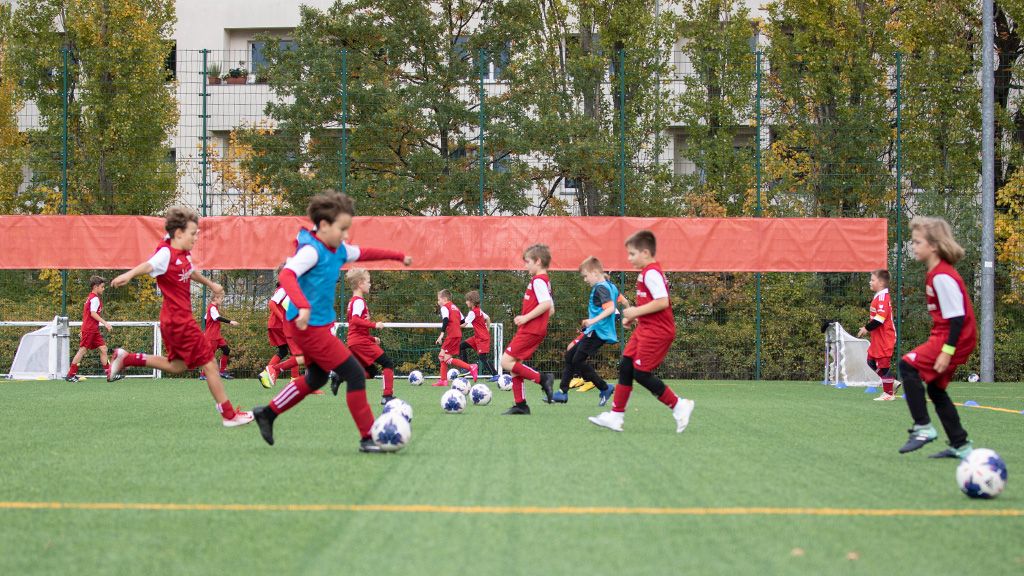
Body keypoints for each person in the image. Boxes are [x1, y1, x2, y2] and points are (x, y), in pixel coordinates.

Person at [252, 191, 411, 453]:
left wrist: (398, 255)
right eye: (343, 229)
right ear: (324, 226)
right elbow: (289, 276)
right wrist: (302, 305)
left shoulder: (336, 249)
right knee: (355, 374)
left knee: (315, 379)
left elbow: (367, 252)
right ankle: (367, 437)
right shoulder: (311, 251)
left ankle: (267, 413)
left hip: (313, 326)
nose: (347, 235)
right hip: (308, 328)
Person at [107, 207, 253, 427]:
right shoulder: (165, 254)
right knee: (210, 364)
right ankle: (229, 415)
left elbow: (190, 271)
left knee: (177, 366)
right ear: (178, 234)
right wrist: (127, 275)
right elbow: (148, 265)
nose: (196, 238)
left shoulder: (182, 252)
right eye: (193, 234)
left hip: (176, 321)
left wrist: (210, 284)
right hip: (179, 322)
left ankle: (127, 358)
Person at [589, 230, 694, 433]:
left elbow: (662, 302)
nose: (629, 258)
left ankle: (679, 405)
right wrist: (634, 317)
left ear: (645, 252)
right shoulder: (646, 273)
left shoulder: (652, 273)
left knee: (641, 373)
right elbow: (652, 303)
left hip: (658, 332)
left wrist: (635, 311)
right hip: (646, 328)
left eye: (632, 254)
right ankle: (615, 417)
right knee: (626, 366)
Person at [897, 217, 977, 459]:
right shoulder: (935, 273)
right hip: (949, 336)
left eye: (917, 242)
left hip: (954, 337)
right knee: (936, 389)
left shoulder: (942, 275)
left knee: (906, 365)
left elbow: (957, 318)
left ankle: (923, 428)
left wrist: (947, 350)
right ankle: (961, 444)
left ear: (933, 245)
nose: (913, 246)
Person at [552, 257, 627, 406]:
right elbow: (623, 301)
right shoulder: (610, 286)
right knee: (570, 355)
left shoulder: (600, 288)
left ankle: (604, 388)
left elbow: (611, 308)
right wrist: (629, 315)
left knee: (578, 360)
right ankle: (562, 392)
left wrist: (592, 321)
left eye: (586, 276)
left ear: (594, 272)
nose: (585, 280)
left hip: (598, 331)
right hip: (596, 330)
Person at [500, 244, 556, 414]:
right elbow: (551, 308)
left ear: (538, 261)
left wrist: (526, 318)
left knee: (505, 362)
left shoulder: (538, 281)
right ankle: (521, 405)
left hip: (530, 329)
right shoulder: (545, 281)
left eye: (527, 262)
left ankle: (543, 379)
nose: (525, 266)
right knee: (516, 365)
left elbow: (546, 305)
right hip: (534, 329)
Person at [345, 268, 399, 405]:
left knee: (372, 371)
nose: (370, 284)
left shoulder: (353, 302)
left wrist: (371, 338)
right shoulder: (358, 302)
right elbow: (355, 320)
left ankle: (344, 375)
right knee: (387, 363)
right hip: (359, 342)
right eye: (368, 282)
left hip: (355, 341)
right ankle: (387, 396)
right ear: (359, 283)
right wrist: (374, 325)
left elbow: (354, 326)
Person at [856, 270, 898, 401]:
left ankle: (888, 394)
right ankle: (891, 382)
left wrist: (866, 328)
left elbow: (879, 319)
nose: (870, 282)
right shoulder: (878, 296)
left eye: (873, 280)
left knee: (884, 366)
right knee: (870, 361)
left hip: (885, 338)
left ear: (880, 283)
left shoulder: (882, 298)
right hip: (878, 337)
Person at [65, 275, 113, 382]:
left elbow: (86, 315)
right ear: (96, 287)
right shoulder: (94, 298)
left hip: (92, 329)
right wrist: (105, 323)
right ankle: (70, 375)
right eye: (102, 287)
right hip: (90, 329)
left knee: (103, 349)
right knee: (82, 350)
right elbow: (92, 314)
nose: (103, 289)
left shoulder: (91, 297)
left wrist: (83, 329)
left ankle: (110, 374)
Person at [434, 289, 477, 386]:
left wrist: (441, 334)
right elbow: (462, 321)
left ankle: (471, 367)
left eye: (439, 299)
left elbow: (445, 319)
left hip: (452, 335)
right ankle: (443, 380)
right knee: (443, 357)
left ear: (444, 299)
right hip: (457, 334)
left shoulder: (445, 307)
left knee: (444, 357)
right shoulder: (455, 307)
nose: (438, 302)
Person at [460, 290, 498, 381]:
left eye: (467, 300)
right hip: (478, 337)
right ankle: (465, 367)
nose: (466, 302)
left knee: (482, 358)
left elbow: (464, 325)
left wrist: (451, 327)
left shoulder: (472, 312)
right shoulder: (478, 310)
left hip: (482, 339)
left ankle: (495, 375)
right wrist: (487, 330)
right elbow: (488, 318)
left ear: (472, 301)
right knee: (461, 346)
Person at [202, 292, 239, 380]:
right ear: (215, 298)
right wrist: (230, 322)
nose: (222, 300)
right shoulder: (212, 308)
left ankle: (222, 372)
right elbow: (218, 318)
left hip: (216, 336)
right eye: (221, 298)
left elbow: (205, 318)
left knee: (226, 350)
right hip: (212, 336)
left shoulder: (212, 308)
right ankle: (203, 375)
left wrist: (205, 330)